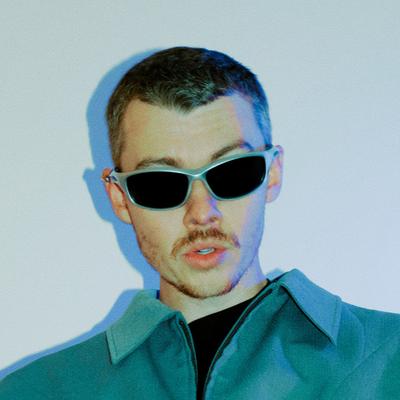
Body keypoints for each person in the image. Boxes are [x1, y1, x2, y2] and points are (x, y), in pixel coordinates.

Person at [1, 46, 399, 400]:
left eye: (231, 172)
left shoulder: (390, 362)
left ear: (273, 174)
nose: (202, 212)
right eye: (161, 183)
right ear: (120, 198)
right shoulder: (33, 393)